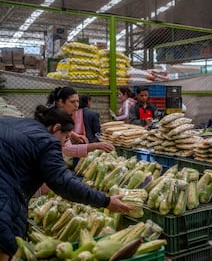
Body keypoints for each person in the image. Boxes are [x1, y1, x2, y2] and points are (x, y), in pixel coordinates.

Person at [0, 105, 131, 259]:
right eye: (66, 137)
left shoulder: (18, 124)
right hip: (4, 191)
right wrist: (106, 201)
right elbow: (63, 183)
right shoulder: (47, 141)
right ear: (56, 128)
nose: (64, 144)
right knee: (8, 241)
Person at [47, 87, 114, 157]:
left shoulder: (58, 114)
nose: (76, 105)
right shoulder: (55, 119)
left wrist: (74, 135)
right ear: (61, 102)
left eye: (77, 101)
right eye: (72, 102)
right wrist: (96, 146)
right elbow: (67, 149)